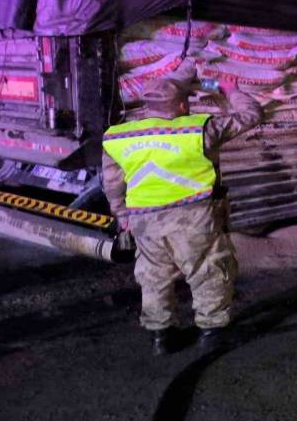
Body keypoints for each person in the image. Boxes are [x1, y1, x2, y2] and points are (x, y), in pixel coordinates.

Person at [102, 77, 261, 355]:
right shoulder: (199, 129)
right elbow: (251, 115)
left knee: (153, 276)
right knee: (207, 270)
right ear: (182, 104)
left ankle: (160, 338)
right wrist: (230, 89)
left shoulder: (119, 136)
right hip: (193, 216)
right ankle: (212, 333)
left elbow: (113, 182)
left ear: (147, 105)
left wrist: (121, 215)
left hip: (144, 220)